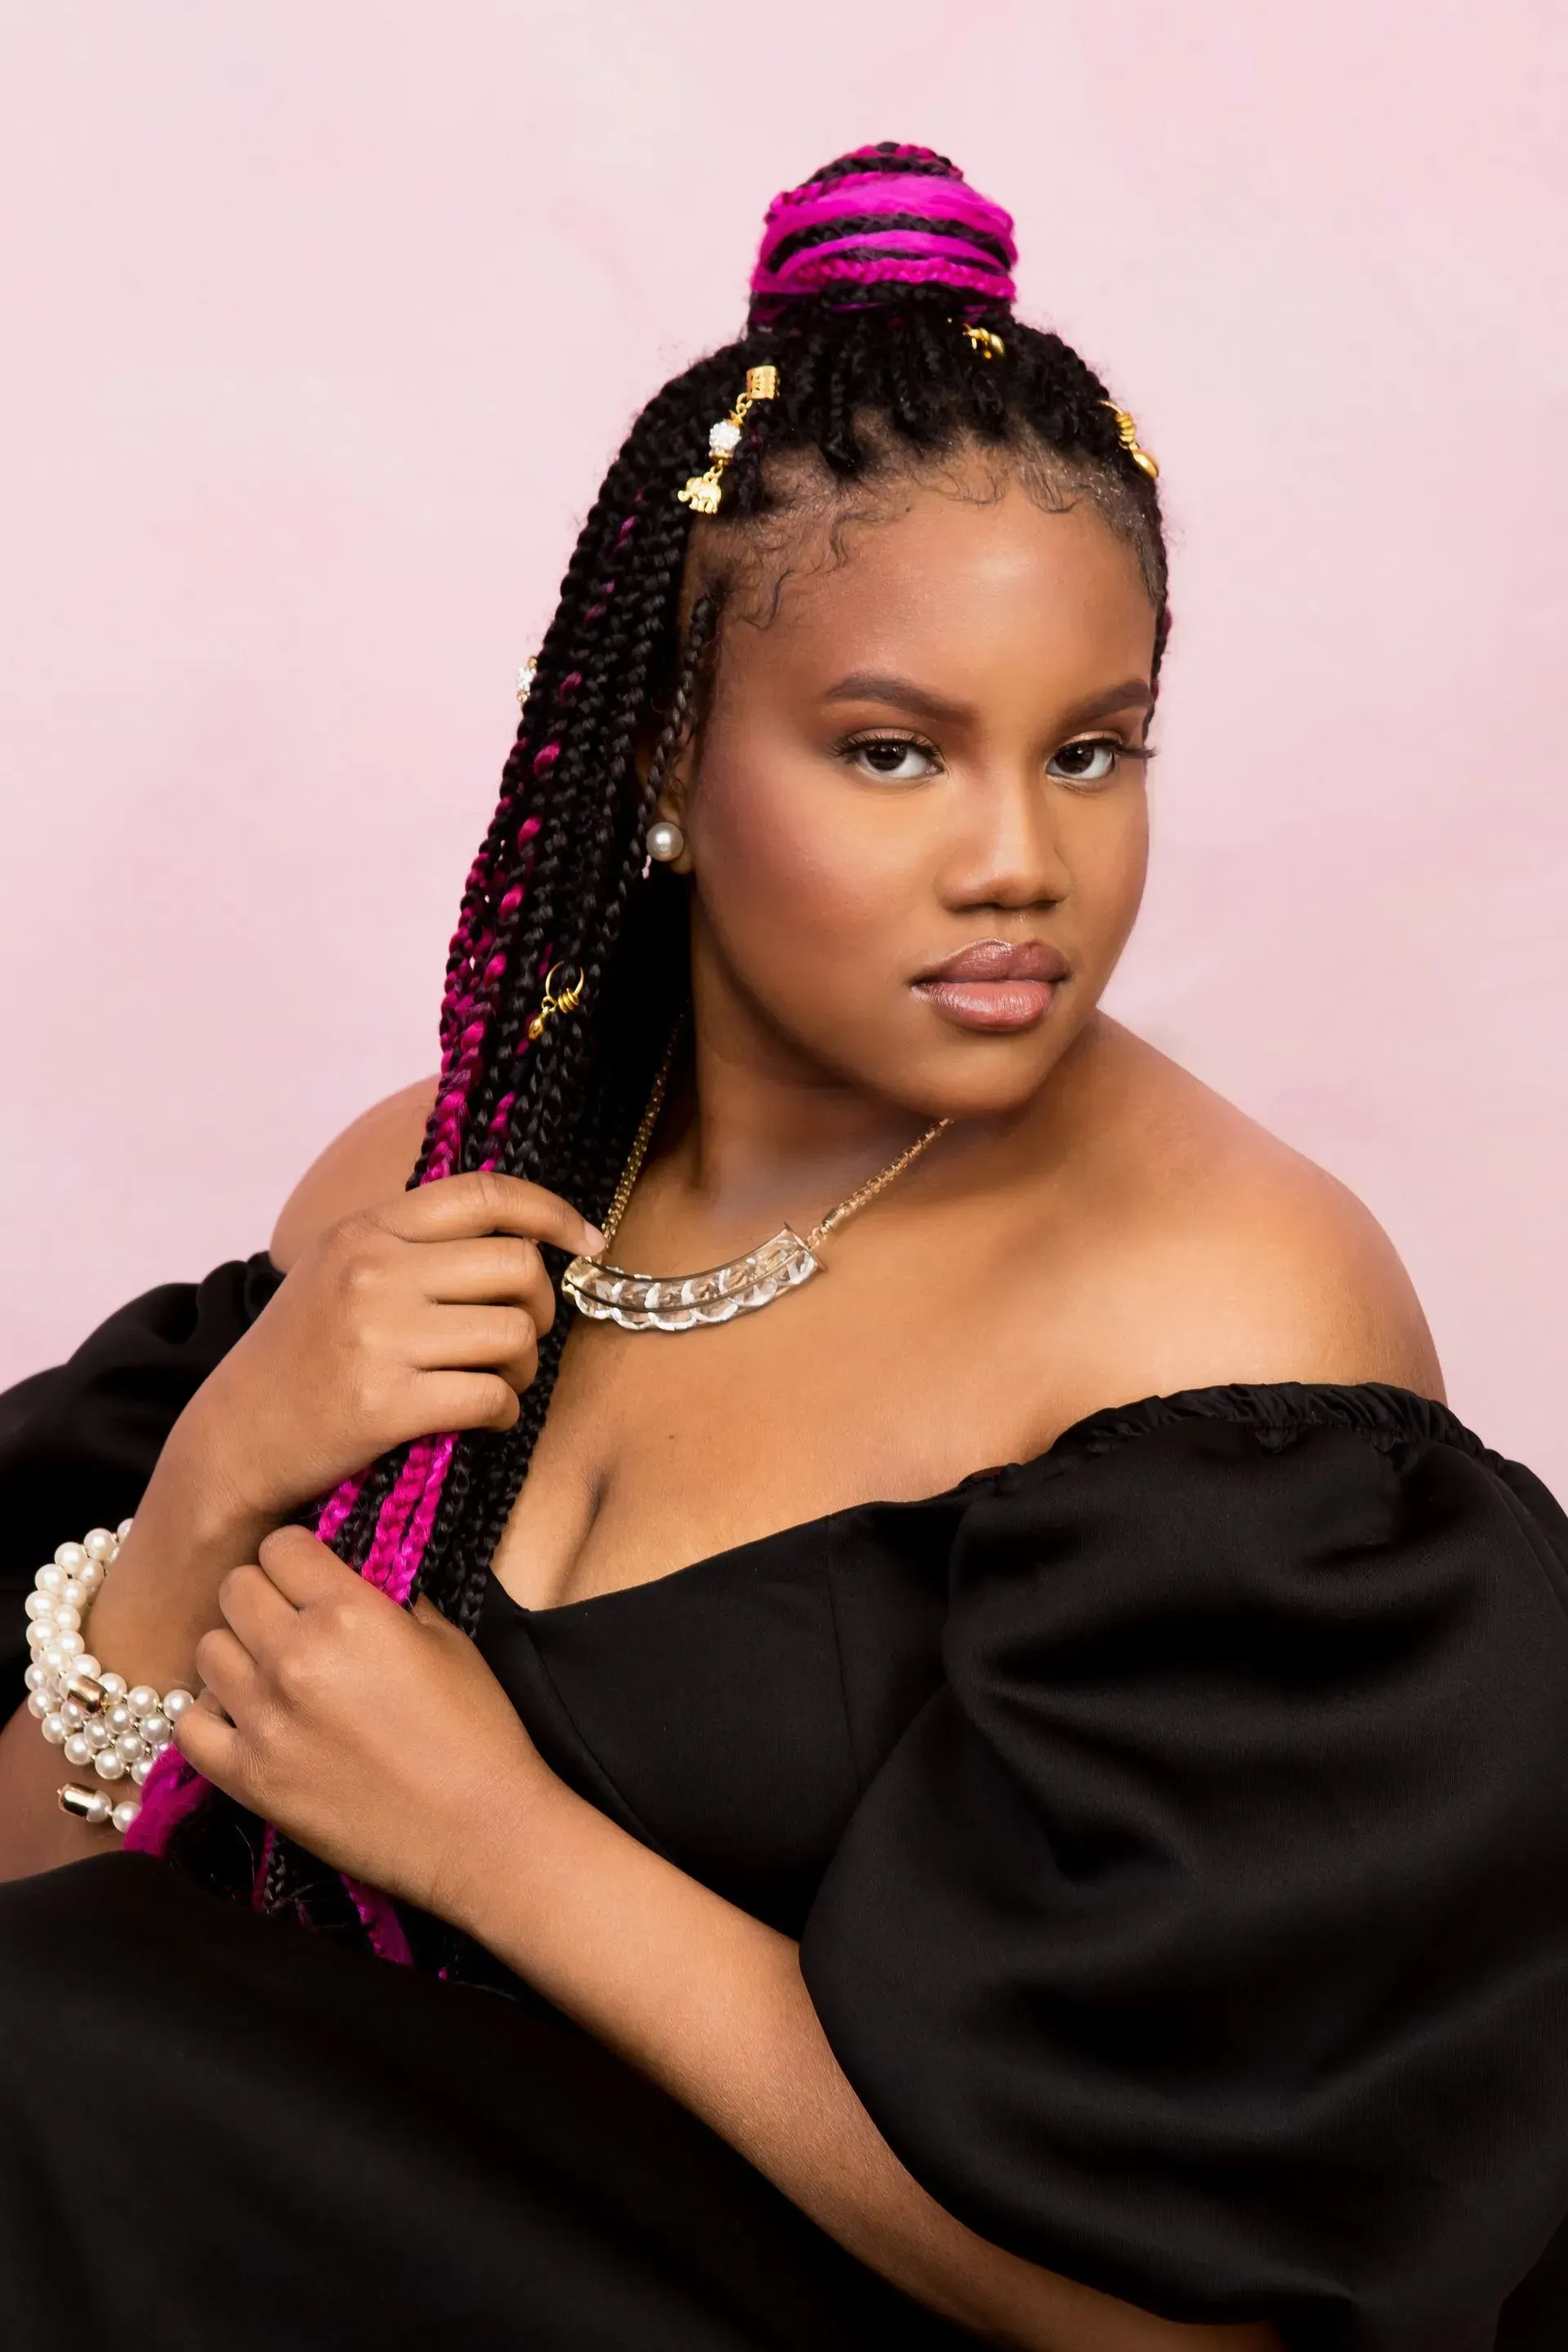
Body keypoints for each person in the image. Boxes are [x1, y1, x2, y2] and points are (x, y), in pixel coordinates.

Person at [1, 142, 1566, 2352]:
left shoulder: (1233, 1323)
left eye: (1094, 753)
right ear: (670, 754)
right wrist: (203, 1496)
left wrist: (500, 1841)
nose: (1021, 862)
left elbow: (1198, 2317)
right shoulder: (434, 1182)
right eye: (895, 753)